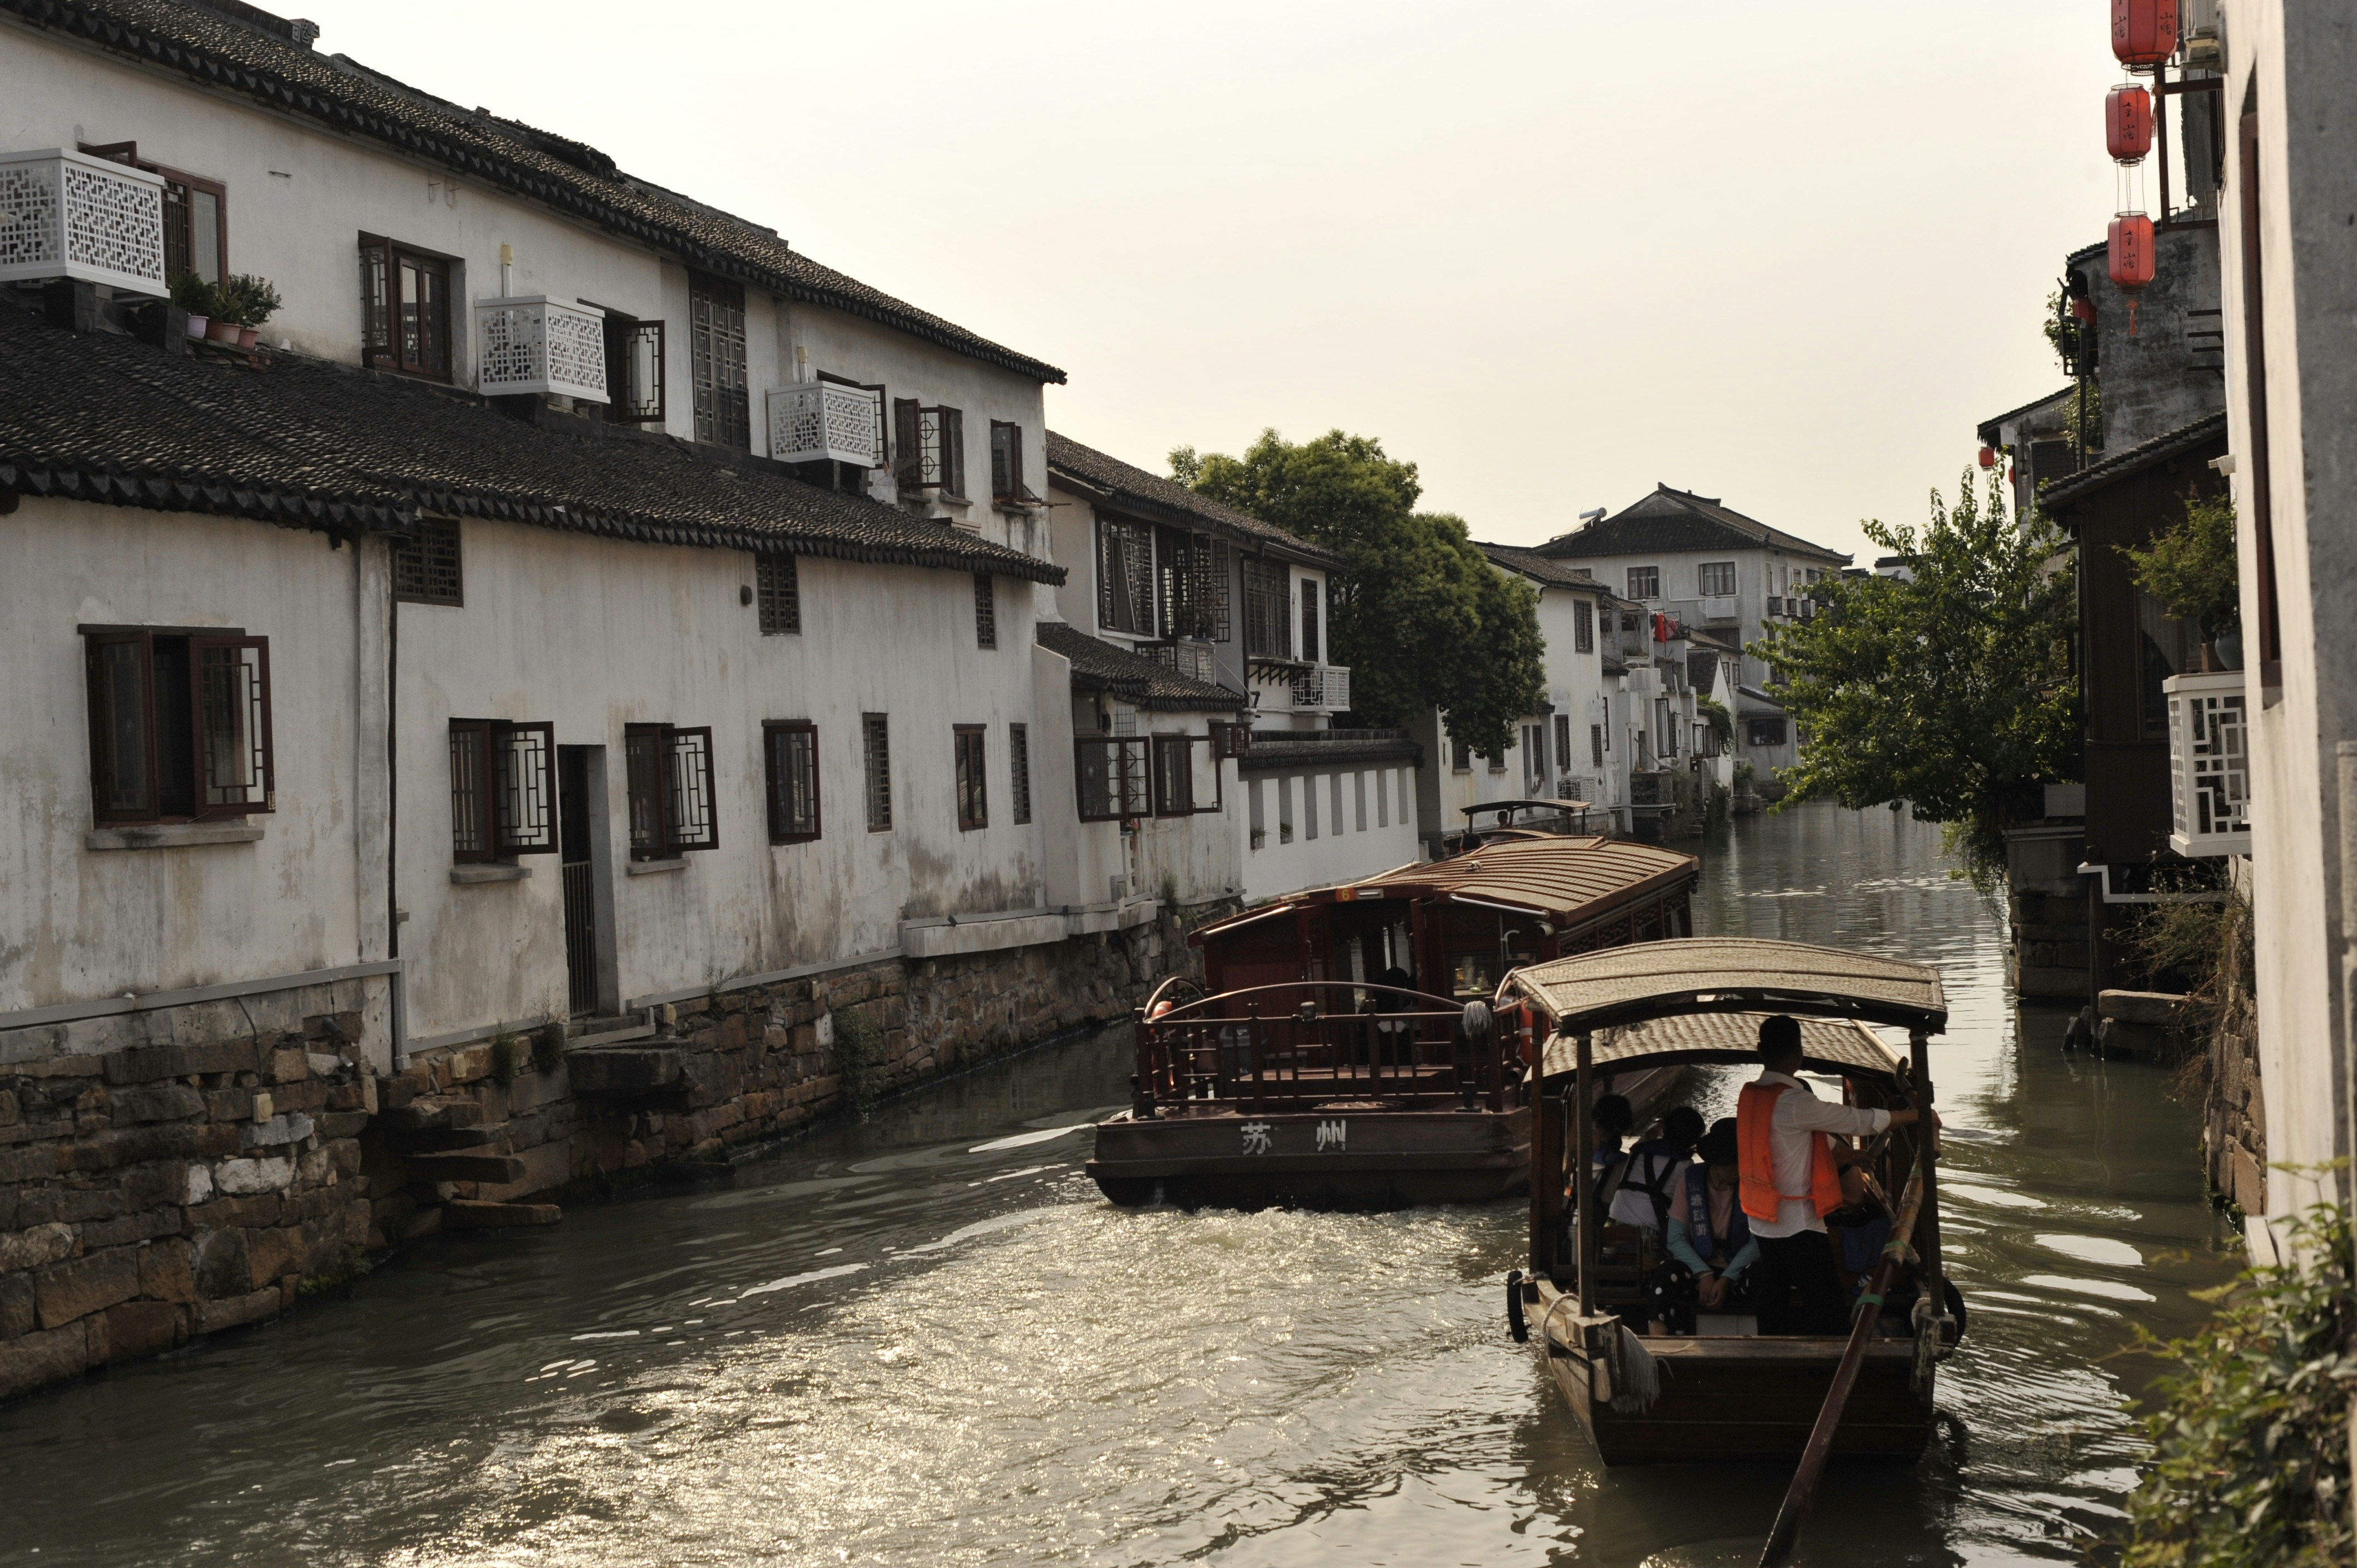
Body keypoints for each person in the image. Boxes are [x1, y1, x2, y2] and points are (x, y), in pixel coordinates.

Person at [1737, 1014, 1933, 1335]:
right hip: (1796, 1222)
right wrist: (1916, 1114)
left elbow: (1808, 1137)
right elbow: (1858, 1121)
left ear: (1760, 1051)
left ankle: (1770, 1359)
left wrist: (1852, 1156)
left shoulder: (1752, 1095)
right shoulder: (1795, 1100)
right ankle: (1826, 1366)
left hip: (1761, 1218)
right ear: (1799, 1055)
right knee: (1825, 1301)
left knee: (1773, 1296)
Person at [1648, 1117, 1759, 1333]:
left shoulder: (1753, 1186)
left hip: (1738, 1273)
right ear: (1716, 1162)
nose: (1739, 1168)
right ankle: (1659, 1343)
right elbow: (1676, 1239)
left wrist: (1727, 1278)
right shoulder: (1689, 1184)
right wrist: (1704, 1274)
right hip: (1698, 1273)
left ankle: (1765, 1342)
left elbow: (1757, 1243)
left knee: (1763, 1275)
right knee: (1666, 1273)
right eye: (1733, 1163)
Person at [1609, 1106, 1705, 1234]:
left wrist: (1659, 1124)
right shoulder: (1685, 1166)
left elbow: (1649, 1135)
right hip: (1649, 1234)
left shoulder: (1636, 1152)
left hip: (1614, 1224)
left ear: (1666, 1129)